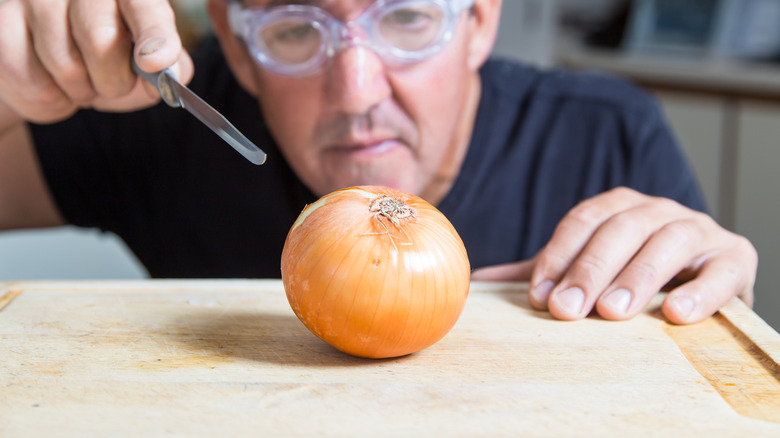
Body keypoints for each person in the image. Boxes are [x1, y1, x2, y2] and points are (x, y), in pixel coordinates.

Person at [0, 0, 757, 325]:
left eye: (406, 18)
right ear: (236, 44)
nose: (357, 92)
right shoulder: (169, 123)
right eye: (296, 31)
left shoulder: (607, 138)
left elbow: (689, 350)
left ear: (478, 23)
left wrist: (706, 303)